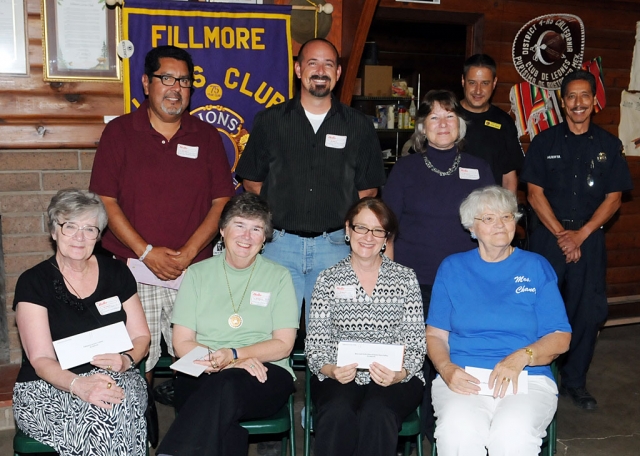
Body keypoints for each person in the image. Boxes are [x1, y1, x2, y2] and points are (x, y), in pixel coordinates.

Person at [89, 45, 235, 386]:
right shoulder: (119, 133)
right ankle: (143, 428)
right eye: (166, 78)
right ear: (145, 83)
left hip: (195, 270)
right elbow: (105, 201)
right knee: (139, 359)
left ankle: (198, 428)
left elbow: (221, 202)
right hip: (135, 270)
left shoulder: (206, 135)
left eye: (184, 81)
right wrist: (146, 252)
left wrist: (187, 254)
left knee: (201, 357)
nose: (175, 88)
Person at [236, 38, 386, 323]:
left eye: (328, 64)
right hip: (278, 246)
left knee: (334, 338)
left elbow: (368, 189)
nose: (320, 70)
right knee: (271, 332)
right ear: (298, 69)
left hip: (336, 249)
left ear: (338, 73)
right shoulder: (270, 121)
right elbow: (251, 181)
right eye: (312, 63)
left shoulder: (359, 125)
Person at [382, 89, 494, 440]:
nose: (443, 124)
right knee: (417, 360)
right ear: (422, 127)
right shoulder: (406, 169)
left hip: (467, 284)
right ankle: (417, 432)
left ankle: (454, 431)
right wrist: (388, 281)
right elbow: (387, 229)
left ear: (460, 125)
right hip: (416, 283)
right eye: (434, 117)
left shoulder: (479, 167)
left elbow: (494, 227)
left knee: (456, 355)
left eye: (450, 117)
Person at [426, 186, 572, 456]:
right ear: (471, 227)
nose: (500, 224)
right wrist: (446, 369)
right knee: (457, 434)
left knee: (512, 437)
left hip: (526, 377)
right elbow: (435, 335)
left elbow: (560, 336)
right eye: (488, 218)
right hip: (464, 376)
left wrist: (521, 357)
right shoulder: (452, 267)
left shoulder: (536, 266)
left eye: (506, 217)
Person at [521, 69, 633, 410]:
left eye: (585, 96)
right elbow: (533, 193)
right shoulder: (544, 142)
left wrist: (580, 236)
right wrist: (561, 235)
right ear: (562, 101)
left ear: (594, 101)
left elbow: (614, 198)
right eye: (571, 96)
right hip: (548, 238)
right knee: (538, 309)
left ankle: (574, 382)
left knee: (587, 313)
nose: (578, 103)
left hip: (590, 238)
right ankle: (536, 375)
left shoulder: (608, 145)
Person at [156, 192, 299, 456]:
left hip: (264, 374)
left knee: (227, 386)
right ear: (222, 230)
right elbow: (182, 343)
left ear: (264, 237)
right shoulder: (197, 274)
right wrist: (226, 362)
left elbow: (283, 345)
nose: (247, 236)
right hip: (202, 368)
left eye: (256, 229)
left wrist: (235, 355)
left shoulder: (279, 277)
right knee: (226, 423)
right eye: (239, 226)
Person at [12, 189, 151, 456]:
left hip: (117, 375)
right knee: (103, 422)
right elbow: (40, 359)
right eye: (70, 226)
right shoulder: (33, 282)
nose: (79, 237)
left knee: (113, 408)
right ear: (54, 231)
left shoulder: (117, 273)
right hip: (49, 386)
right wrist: (79, 385)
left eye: (90, 229)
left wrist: (127, 360)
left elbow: (141, 337)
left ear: (98, 236)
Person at [305, 197, 426, 456]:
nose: (368, 237)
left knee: (377, 412)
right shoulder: (328, 279)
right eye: (361, 227)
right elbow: (315, 345)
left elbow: (416, 343)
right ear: (348, 230)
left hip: (395, 375)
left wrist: (400, 374)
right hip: (339, 373)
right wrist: (332, 370)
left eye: (378, 230)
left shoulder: (405, 278)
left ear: (386, 238)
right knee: (337, 412)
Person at [460, 54, 524, 193]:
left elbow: (509, 179)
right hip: (449, 208)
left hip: (489, 210)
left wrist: (507, 212)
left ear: (494, 83)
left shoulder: (504, 122)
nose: (478, 90)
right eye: (472, 82)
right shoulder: (447, 117)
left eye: (485, 83)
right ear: (463, 81)